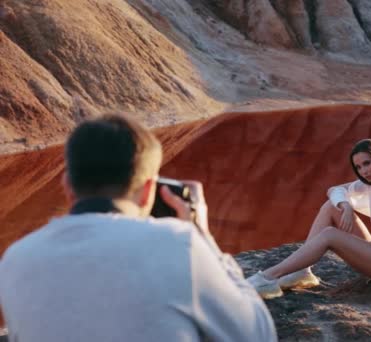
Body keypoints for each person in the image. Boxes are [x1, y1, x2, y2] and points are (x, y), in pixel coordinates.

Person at [0, 114, 277, 342]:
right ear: (148, 192)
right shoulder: (179, 244)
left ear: (67, 186)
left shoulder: (15, 259)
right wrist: (202, 234)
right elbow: (258, 334)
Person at [247, 139, 371, 298]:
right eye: (359, 167)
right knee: (332, 206)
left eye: (367, 163)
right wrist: (346, 205)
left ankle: (267, 278)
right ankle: (302, 272)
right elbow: (334, 190)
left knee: (330, 235)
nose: (364, 171)